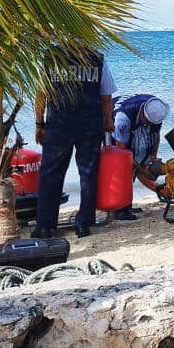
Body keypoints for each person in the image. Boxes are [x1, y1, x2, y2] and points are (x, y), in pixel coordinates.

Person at [32, 46, 116, 238]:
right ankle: (83, 224)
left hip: (59, 124)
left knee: (50, 174)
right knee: (88, 175)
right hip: (89, 124)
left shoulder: (50, 58)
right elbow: (106, 97)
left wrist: (39, 123)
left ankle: (45, 226)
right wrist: (108, 121)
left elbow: (40, 94)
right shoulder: (97, 58)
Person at [111, 93, 170, 219]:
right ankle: (119, 210)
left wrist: (152, 156)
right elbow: (122, 151)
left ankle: (127, 204)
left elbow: (155, 135)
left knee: (139, 158)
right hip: (109, 123)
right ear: (143, 115)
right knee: (123, 167)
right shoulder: (123, 119)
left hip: (131, 119)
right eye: (148, 123)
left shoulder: (156, 109)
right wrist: (142, 170)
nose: (150, 125)